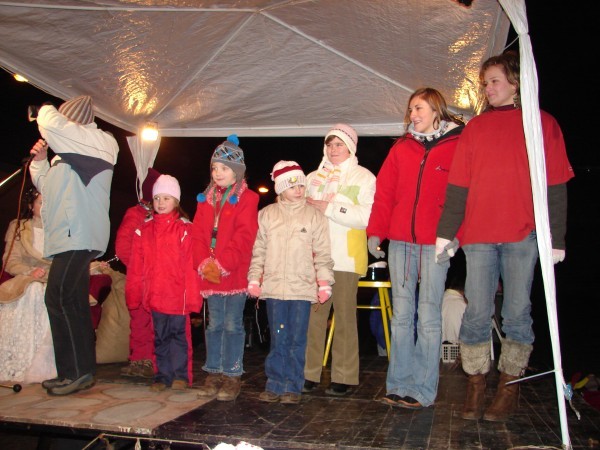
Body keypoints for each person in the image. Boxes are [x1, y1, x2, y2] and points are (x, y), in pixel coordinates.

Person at [435, 51, 574, 422]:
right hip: (479, 236)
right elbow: (458, 185)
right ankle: (476, 384)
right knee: (476, 313)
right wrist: (446, 233)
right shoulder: (476, 128)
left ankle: (509, 387)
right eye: (485, 83)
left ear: (516, 82)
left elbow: (556, 184)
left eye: (494, 81)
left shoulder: (541, 124)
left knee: (516, 313)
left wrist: (556, 237)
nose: (487, 88)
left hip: (521, 235)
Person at [366, 88, 465, 409]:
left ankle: (422, 389)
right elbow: (384, 193)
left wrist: (456, 236)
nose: (413, 114)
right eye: (410, 109)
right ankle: (398, 385)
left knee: (429, 316)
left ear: (436, 110)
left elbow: (464, 194)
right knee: (401, 316)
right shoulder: (401, 148)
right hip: (401, 242)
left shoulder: (457, 145)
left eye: (419, 108)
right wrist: (376, 232)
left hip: (436, 243)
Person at [28, 95, 119, 395]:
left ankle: (77, 371)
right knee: (69, 300)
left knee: (60, 298)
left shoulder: (99, 143)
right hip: (69, 236)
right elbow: (49, 188)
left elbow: (56, 126)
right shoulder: (69, 156)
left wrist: (42, 110)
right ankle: (74, 371)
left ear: (72, 122)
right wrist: (40, 163)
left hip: (79, 234)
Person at [247, 161, 335, 404]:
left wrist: (324, 281)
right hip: (275, 288)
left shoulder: (315, 216)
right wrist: (254, 277)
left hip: (301, 289)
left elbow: (322, 253)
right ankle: (275, 383)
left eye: (301, 185)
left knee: (297, 339)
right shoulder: (267, 215)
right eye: (292, 186)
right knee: (278, 338)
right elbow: (259, 250)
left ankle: (293, 386)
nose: (298, 190)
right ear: (280, 188)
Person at [303, 123, 376, 396]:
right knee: (314, 317)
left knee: (344, 316)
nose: (333, 150)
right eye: (330, 144)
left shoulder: (363, 177)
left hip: (346, 257)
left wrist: (330, 208)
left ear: (350, 148)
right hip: (315, 258)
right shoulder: (312, 177)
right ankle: (308, 373)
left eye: (339, 145)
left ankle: (343, 376)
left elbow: (366, 217)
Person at [192, 135, 259, 402]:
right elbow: (198, 234)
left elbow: (245, 235)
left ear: (237, 172)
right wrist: (203, 262)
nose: (218, 173)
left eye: (224, 168)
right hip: (210, 272)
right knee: (214, 324)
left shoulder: (248, 198)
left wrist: (223, 263)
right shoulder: (204, 200)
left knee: (232, 324)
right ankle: (213, 372)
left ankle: (232, 374)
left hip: (234, 272)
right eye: (214, 168)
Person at [125, 174, 202, 392]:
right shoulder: (144, 230)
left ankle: (180, 376)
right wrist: (134, 294)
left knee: (178, 336)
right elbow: (136, 266)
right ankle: (162, 376)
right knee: (159, 337)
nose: (160, 202)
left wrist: (192, 297)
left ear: (176, 201)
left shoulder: (185, 229)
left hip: (178, 297)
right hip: (155, 296)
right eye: (157, 198)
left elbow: (191, 266)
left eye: (166, 198)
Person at [0, 187, 55, 383]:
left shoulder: (59, 231)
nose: (45, 207)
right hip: (26, 279)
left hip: (52, 279)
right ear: (31, 206)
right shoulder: (19, 227)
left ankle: (48, 363)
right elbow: (10, 260)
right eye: (41, 202)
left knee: (53, 291)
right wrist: (29, 272)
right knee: (34, 290)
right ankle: (24, 357)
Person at [115, 167, 161, 379]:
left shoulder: (162, 216)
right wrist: (138, 269)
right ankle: (140, 359)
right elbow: (123, 246)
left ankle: (153, 360)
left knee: (156, 322)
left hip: (158, 280)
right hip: (139, 279)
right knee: (140, 320)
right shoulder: (135, 214)